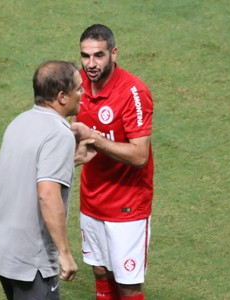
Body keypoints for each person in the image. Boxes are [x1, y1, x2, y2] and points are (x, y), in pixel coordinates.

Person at [0, 60, 97, 300]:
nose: (83, 93)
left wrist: (71, 161)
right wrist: (64, 253)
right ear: (61, 96)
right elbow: (47, 194)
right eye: (78, 88)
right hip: (32, 258)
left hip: (4, 248)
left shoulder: (19, 122)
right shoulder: (59, 134)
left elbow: (26, 175)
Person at [71, 24, 155, 300]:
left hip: (127, 204)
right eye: (85, 56)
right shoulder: (78, 85)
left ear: (114, 54)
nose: (91, 64)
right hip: (92, 199)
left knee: (128, 285)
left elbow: (140, 155)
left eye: (98, 55)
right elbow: (73, 129)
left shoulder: (133, 92)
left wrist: (94, 138)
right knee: (100, 272)